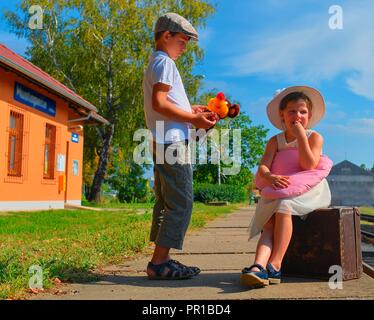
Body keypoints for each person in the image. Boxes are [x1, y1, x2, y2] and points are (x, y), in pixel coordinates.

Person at [143, 12, 218, 280]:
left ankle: (159, 258)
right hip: (172, 142)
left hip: (161, 138)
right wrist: (195, 119)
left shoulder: (156, 61)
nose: (185, 47)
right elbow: (159, 103)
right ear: (167, 36)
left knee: (166, 201)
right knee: (182, 202)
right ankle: (159, 263)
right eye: (183, 41)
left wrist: (190, 109)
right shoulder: (165, 64)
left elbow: (164, 104)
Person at [241, 86, 332, 287]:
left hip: (309, 189)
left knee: (283, 206)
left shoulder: (314, 137)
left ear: (309, 115)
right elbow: (264, 165)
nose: (297, 116)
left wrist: (301, 136)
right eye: (292, 111)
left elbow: (309, 165)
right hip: (280, 186)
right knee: (268, 225)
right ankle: (258, 266)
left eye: (303, 112)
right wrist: (269, 175)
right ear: (282, 115)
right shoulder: (275, 141)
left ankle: (275, 264)